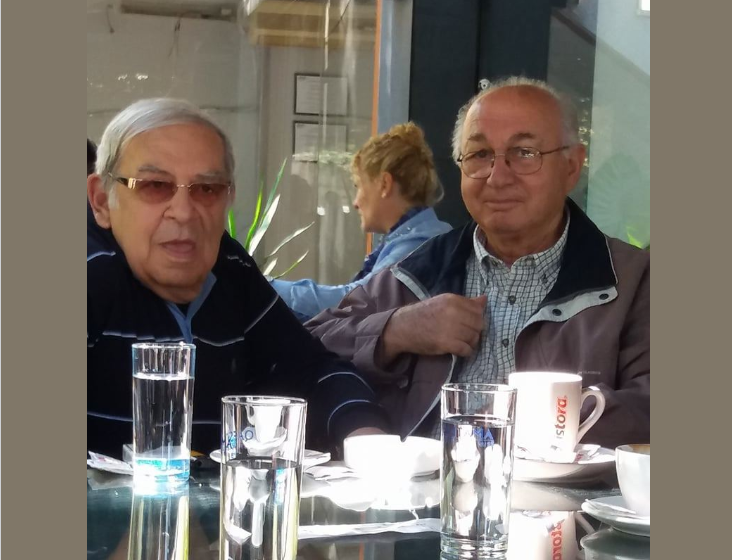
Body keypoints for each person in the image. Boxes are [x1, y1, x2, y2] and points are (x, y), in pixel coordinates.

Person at [307, 77, 650, 450]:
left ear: (571, 166)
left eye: (524, 152)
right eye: (480, 154)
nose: (497, 177)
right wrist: (395, 330)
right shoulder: (420, 272)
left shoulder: (631, 280)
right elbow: (307, 351)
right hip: (421, 484)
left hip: (570, 487)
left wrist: (548, 420)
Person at [87, 98, 390, 458]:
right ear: (101, 201)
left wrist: (368, 442)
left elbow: (312, 371)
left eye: (207, 189)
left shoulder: (228, 268)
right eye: (155, 185)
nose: (184, 212)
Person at [270, 122, 452, 320]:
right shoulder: (415, 239)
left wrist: (265, 286)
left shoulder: (418, 247)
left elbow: (355, 304)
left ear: (384, 184)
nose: (355, 202)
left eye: (359, 186)